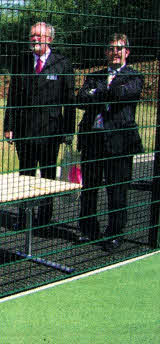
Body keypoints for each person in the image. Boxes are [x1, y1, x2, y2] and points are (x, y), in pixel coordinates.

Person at [3, 22, 76, 231]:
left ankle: (44, 219)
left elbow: (69, 100)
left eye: (39, 36)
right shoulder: (21, 62)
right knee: (25, 174)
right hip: (24, 131)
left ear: (49, 39)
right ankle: (24, 217)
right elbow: (13, 96)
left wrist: (68, 131)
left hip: (50, 132)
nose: (34, 39)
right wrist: (9, 125)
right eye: (32, 35)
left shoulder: (62, 63)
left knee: (48, 175)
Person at [76, 33, 143, 251]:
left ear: (127, 52)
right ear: (106, 52)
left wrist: (99, 92)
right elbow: (81, 100)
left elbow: (122, 95)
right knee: (90, 188)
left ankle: (115, 233)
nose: (115, 53)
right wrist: (103, 92)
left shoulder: (135, 76)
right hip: (93, 141)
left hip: (119, 143)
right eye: (111, 49)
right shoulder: (94, 75)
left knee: (117, 190)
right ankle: (88, 229)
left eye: (119, 49)